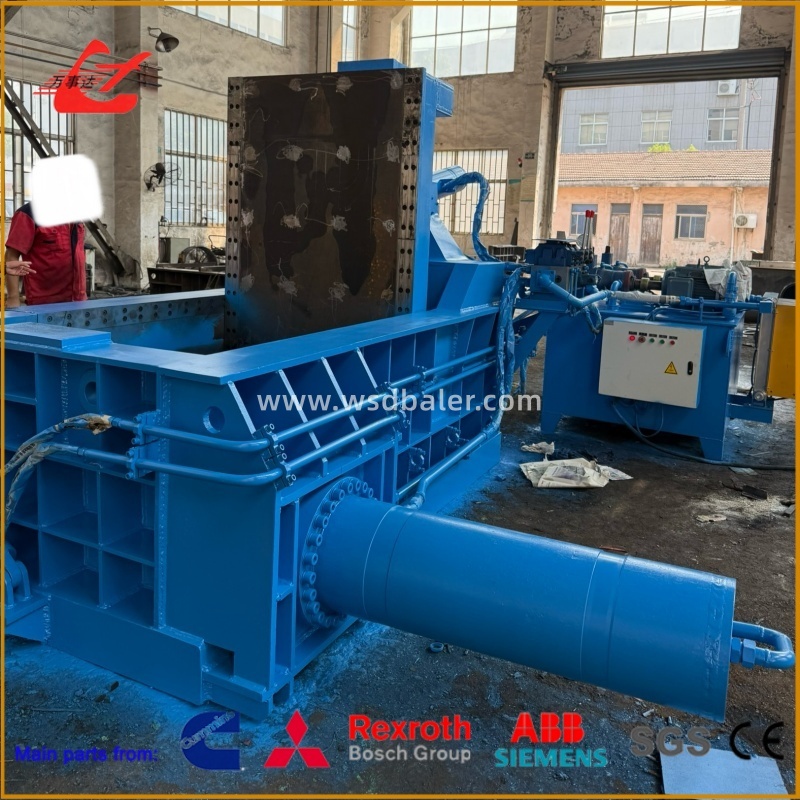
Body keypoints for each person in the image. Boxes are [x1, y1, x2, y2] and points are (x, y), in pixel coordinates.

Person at [4, 202, 86, 307]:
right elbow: (12, 256)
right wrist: (13, 298)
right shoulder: (29, 213)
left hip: (78, 300)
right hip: (44, 302)